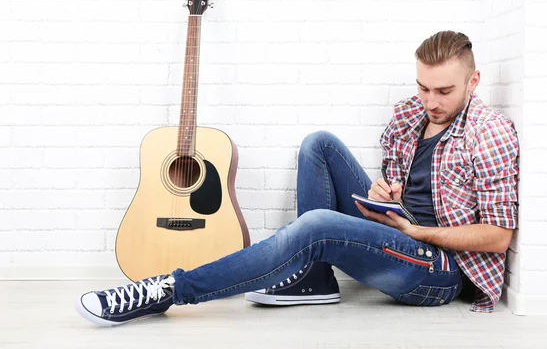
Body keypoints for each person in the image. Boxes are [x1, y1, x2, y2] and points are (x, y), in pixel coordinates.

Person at [75, 31, 519, 326]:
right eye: (423, 87)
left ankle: (170, 289)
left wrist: (416, 228)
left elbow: (499, 237)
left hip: (437, 271)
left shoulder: (488, 131)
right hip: (399, 229)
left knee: (315, 227)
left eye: (444, 91)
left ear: (473, 80)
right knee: (318, 143)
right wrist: (388, 193)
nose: (430, 101)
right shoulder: (411, 114)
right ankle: (314, 279)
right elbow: (410, 182)